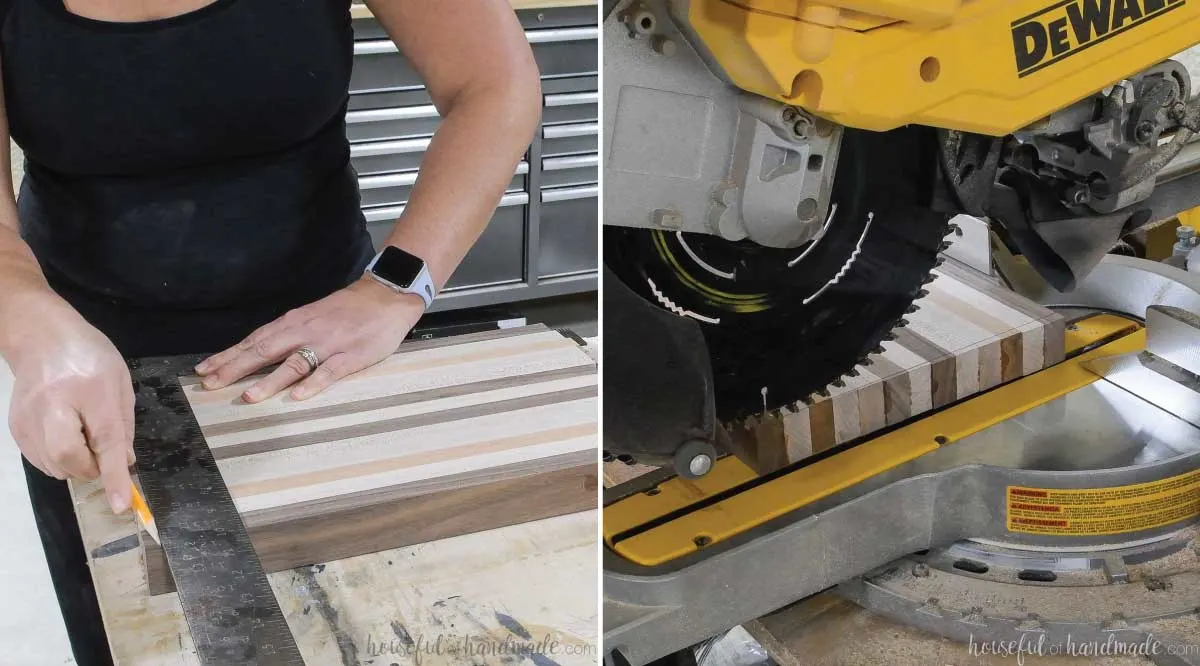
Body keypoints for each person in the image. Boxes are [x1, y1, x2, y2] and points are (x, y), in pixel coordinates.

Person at [0, 0, 542, 662]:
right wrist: (30, 325)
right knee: (144, 636)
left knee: (361, 627)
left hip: (321, 353)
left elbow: (493, 82)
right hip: (91, 370)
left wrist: (394, 289)